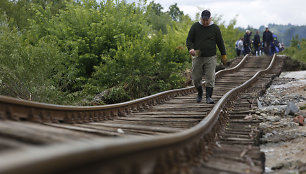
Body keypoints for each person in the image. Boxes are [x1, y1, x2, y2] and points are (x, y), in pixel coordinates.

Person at [186, 10, 227, 104]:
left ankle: (208, 97)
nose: (205, 22)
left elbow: (220, 42)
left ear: (210, 19)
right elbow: (189, 40)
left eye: (207, 20)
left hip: (211, 56)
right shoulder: (195, 26)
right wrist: (190, 48)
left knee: (210, 77)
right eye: (203, 20)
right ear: (201, 18)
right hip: (198, 56)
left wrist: (223, 54)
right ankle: (200, 93)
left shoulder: (215, 28)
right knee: (196, 78)